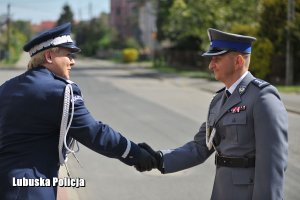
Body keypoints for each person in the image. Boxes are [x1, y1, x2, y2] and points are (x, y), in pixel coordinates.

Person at [0, 22, 156, 200]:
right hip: (31, 188)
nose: (73, 62)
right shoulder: (60, 90)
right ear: (49, 56)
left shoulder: (7, 87)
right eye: (68, 55)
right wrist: (135, 152)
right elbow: (95, 133)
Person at [137, 28, 288, 200]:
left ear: (238, 61)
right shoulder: (218, 101)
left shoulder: (262, 97)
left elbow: (272, 164)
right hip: (221, 191)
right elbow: (200, 147)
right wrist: (158, 159)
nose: (211, 65)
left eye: (217, 58)